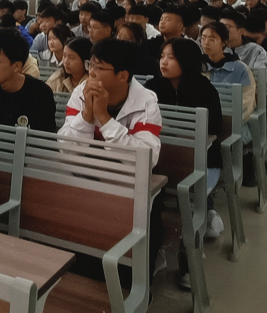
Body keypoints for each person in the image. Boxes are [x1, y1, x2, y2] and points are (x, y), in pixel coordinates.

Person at [146, 38, 225, 244]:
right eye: (162, 56)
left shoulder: (205, 89)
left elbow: (215, 128)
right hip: (160, 157)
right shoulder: (152, 87)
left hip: (201, 157)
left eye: (171, 58)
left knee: (193, 191)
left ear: (187, 60)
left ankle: (202, 214)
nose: (163, 62)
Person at [58, 38, 162, 161]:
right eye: (90, 65)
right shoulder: (82, 92)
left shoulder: (145, 102)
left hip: (125, 172)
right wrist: (86, 114)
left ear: (123, 76)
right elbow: (65, 150)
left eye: (99, 68)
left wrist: (104, 117)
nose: (91, 73)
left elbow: (146, 159)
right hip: (85, 167)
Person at [200, 22, 255, 128]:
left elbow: (248, 101)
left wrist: (226, 117)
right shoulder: (198, 66)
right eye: (203, 38)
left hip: (233, 123)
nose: (206, 43)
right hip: (203, 121)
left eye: (212, 39)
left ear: (224, 43)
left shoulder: (240, 69)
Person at [218, 8, 267, 74]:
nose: (222, 30)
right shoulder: (216, 49)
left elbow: (260, 75)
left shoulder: (256, 50)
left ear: (241, 31)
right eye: (220, 27)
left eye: (227, 27)